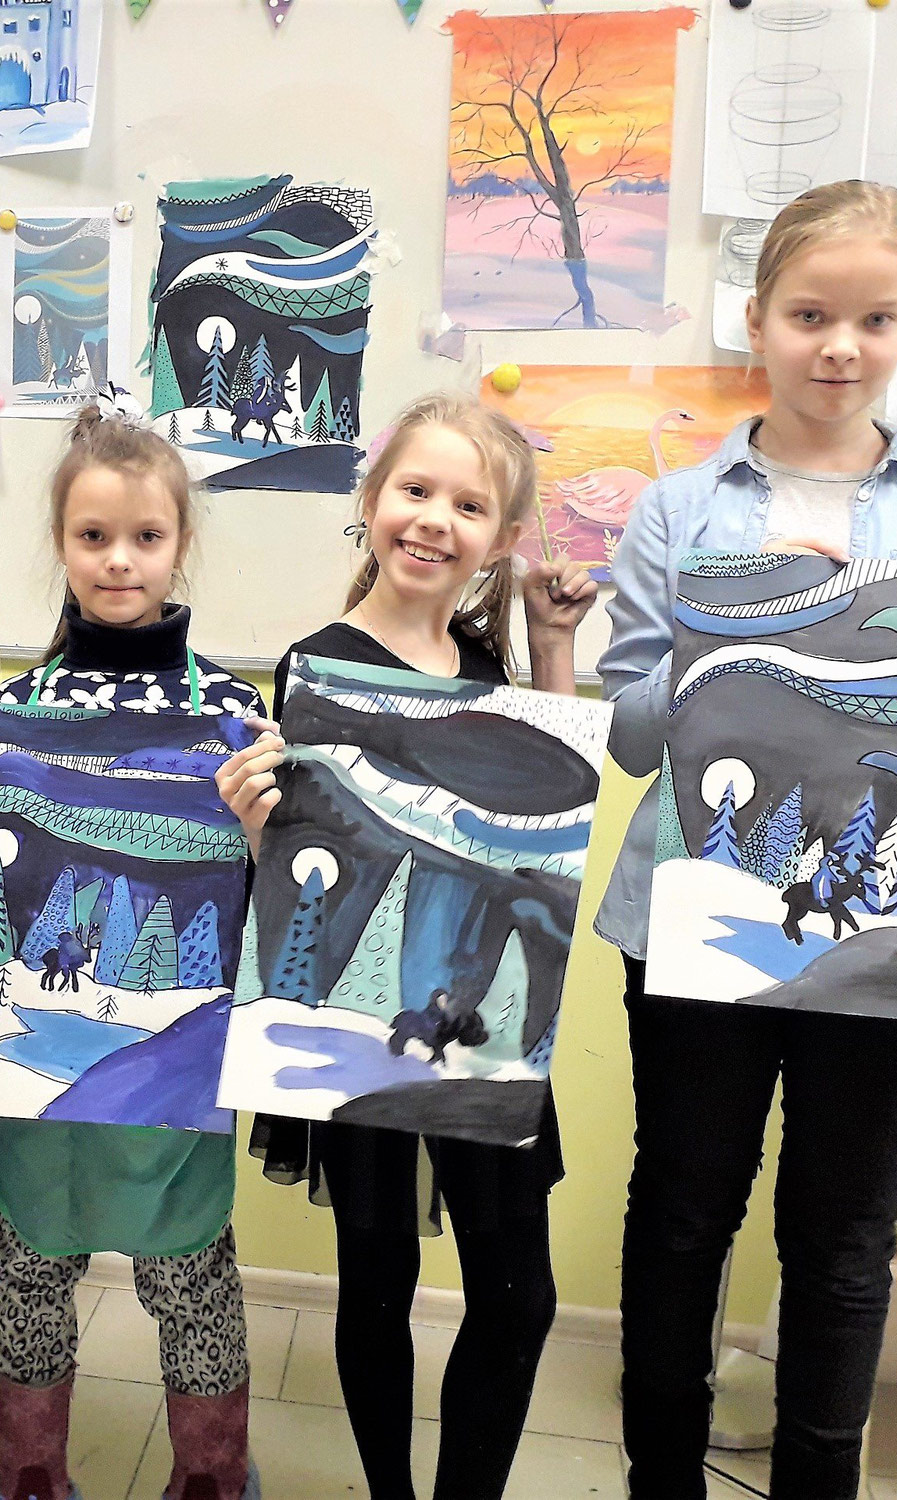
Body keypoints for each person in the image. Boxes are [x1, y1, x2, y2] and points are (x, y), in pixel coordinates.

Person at [592, 181, 897, 1500]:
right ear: (758, 319)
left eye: (875, 318)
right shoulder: (682, 509)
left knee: (842, 1237)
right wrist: (747, 620)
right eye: (808, 315)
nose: (840, 346)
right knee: (684, 1211)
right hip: (696, 917)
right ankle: (659, 1479)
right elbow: (630, 738)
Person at [215, 393, 597, 1500]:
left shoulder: (485, 660)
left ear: (503, 538)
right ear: (372, 500)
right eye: (415, 490)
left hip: (480, 1031)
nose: (434, 519)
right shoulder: (317, 663)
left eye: (468, 505)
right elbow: (300, 854)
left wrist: (553, 646)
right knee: (376, 1284)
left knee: (518, 1295)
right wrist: (254, 823)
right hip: (366, 1022)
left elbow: (552, 786)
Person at [0, 393, 265, 1500]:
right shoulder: (9, 712)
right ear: (61, 544)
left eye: (145, 536)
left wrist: (266, 825)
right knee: (30, 1276)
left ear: (179, 543)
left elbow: (262, 897)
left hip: (179, 1092)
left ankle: (209, 1477)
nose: (120, 560)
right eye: (94, 535)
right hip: (33, 1108)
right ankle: (29, 1473)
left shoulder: (234, 717)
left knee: (193, 1283)